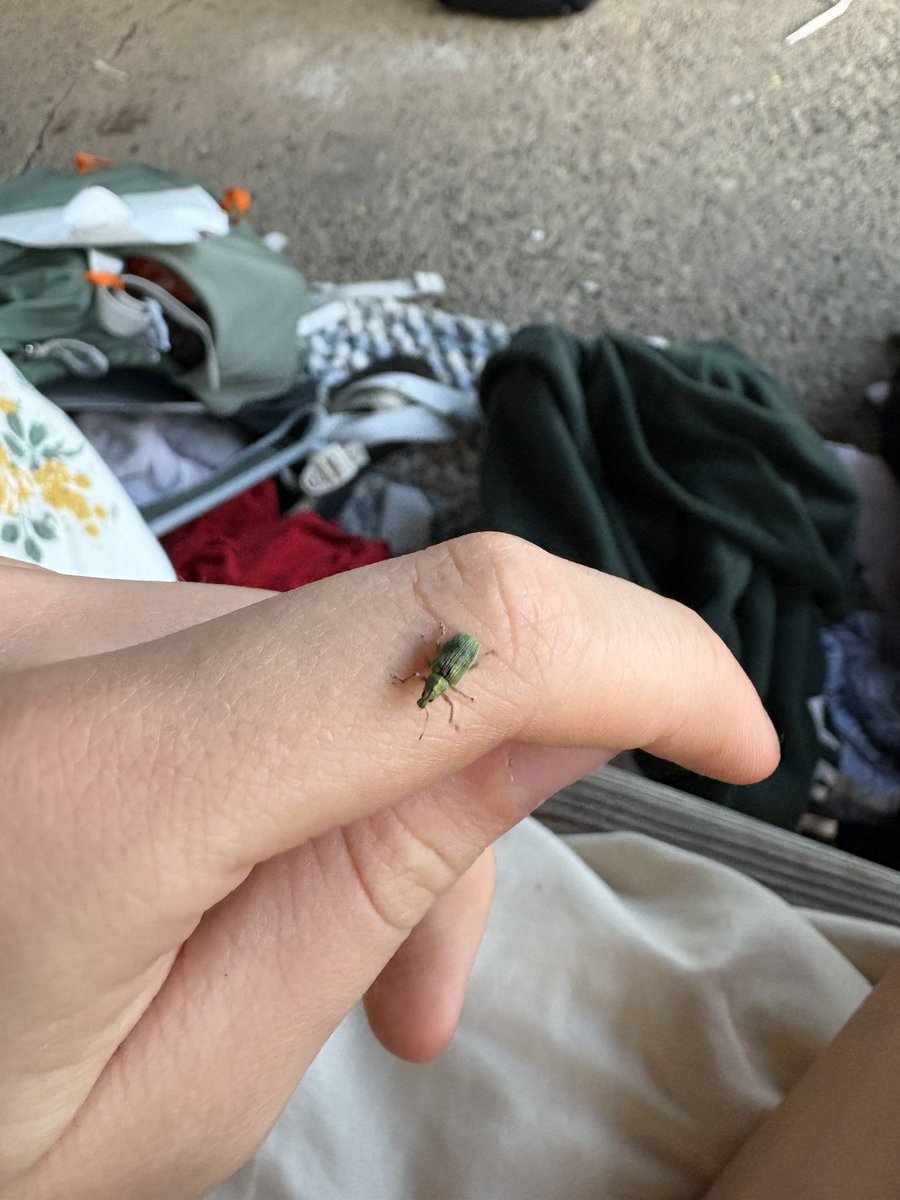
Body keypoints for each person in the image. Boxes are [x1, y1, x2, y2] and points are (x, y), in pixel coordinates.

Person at [1, 350, 900, 1200]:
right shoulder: (435, 672)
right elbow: (436, 658)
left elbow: (449, 652)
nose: (432, 691)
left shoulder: (445, 671)